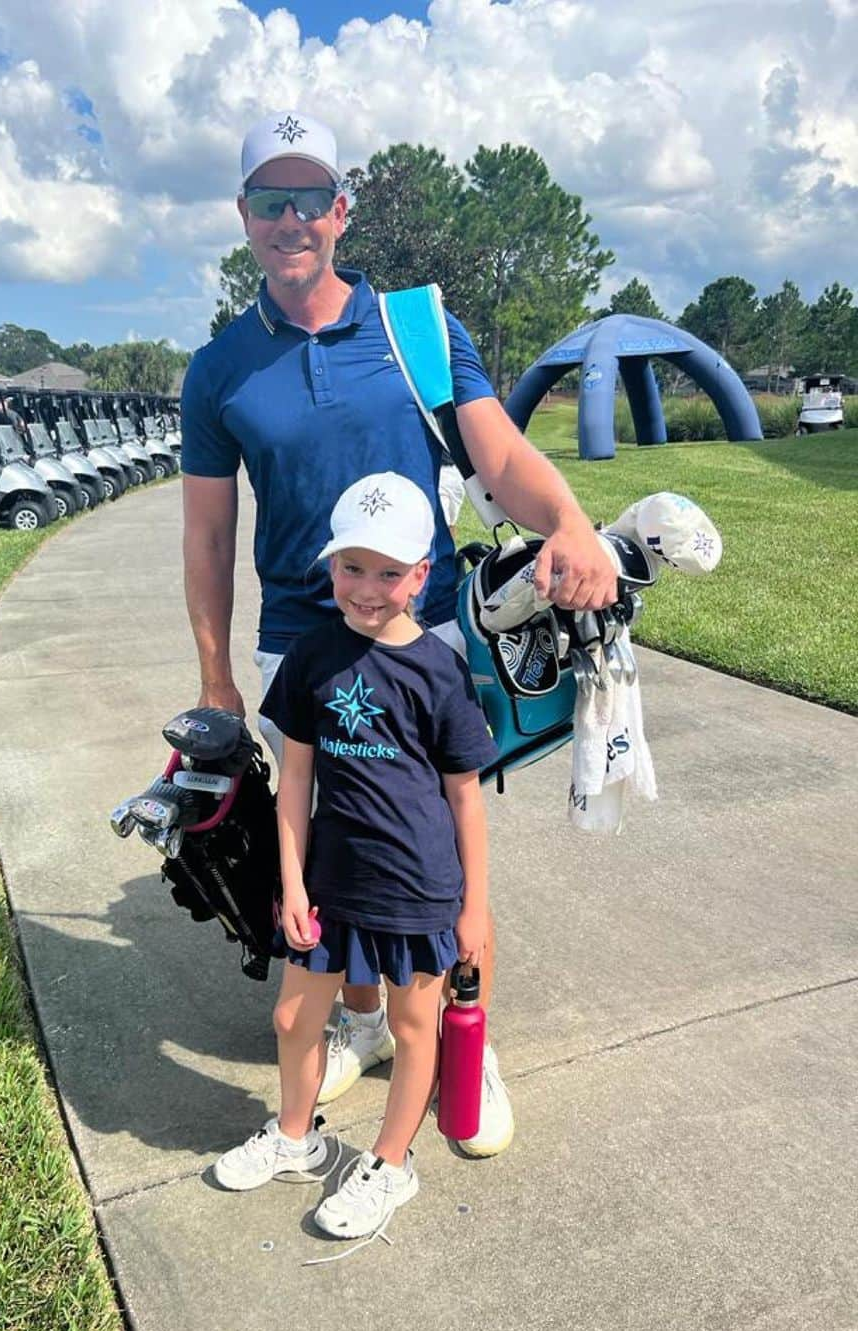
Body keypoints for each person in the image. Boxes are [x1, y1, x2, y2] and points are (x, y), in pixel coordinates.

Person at [182, 111, 616, 1156]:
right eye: (270, 200)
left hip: (419, 639)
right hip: (299, 642)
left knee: (433, 849)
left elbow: (498, 456)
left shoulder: (417, 327)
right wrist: (215, 677)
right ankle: (369, 1024)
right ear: (245, 215)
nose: (292, 220)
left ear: (343, 210)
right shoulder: (219, 368)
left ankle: (466, 1034)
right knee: (334, 857)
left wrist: (569, 520)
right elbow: (206, 535)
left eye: (310, 198)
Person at [214, 473, 496, 1238]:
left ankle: (390, 1164)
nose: (368, 589)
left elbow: (465, 796)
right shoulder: (313, 655)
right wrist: (293, 884)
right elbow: (295, 778)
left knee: (413, 1029)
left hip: (417, 888)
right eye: (352, 567)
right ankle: (295, 1137)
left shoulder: (439, 670)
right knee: (292, 1018)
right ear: (330, 565)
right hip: (332, 884)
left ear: (422, 576)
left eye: (390, 571)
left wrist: (473, 906)